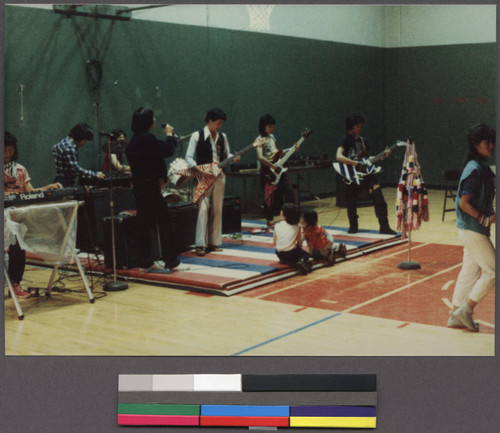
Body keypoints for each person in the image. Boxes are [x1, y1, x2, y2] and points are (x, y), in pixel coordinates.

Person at [125, 107, 189, 273]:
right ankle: (171, 261)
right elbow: (166, 150)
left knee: (144, 224)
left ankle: (144, 261)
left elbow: (153, 159)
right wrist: (170, 136)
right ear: (149, 122)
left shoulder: (134, 141)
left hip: (139, 187)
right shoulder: (147, 139)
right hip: (149, 187)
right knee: (165, 223)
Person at [448, 124, 495, 332]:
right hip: (472, 229)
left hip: (471, 229)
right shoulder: (475, 169)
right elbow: (463, 203)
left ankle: (455, 315)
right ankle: (465, 310)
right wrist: (485, 219)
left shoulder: (479, 166)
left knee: (470, 270)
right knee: (494, 271)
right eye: (487, 142)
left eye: (493, 141)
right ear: (476, 145)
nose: (492, 145)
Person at [4, 131, 63, 298]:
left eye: (10, 150)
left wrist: (47, 188)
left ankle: (15, 284)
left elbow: (30, 192)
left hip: (17, 217)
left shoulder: (20, 169)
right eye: (4, 150)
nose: (7, 154)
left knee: (17, 242)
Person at [185, 107, 240, 256]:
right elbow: (189, 157)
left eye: (221, 123)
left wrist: (232, 157)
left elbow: (226, 153)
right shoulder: (197, 135)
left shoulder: (223, 136)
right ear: (210, 120)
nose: (219, 126)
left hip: (220, 176)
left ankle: (214, 242)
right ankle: (200, 244)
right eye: (218, 122)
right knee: (202, 209)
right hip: (203, 176)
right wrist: (199, 169)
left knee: (217, 209)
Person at [336, 112, 396, 234]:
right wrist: (355, 163)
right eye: (357, 126)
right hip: (352, 175)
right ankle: (353, 226)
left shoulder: (363, 141)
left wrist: (382, 156)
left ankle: (384, 226)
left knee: (378, 196)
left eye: (360, 125)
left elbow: (367, 159)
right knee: (351, 202)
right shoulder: (345, 139)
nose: (360, 128)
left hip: (366, 174)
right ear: (351, 126)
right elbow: (338, 156)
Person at [255, 114, 298, 228]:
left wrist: (291, 149)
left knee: (289, 192)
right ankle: (269, 220)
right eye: (269, 127)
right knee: (269, 198)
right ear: (263, 126)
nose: (271, 129)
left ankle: (291, 219)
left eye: (272, 127)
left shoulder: (272, 137)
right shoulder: (259, 140)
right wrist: (272, 166)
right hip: (268, 172)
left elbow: (278, 152)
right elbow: (260, 157)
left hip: (279, 170)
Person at [52, 123, 106, 187]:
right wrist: (95, 174)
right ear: (79, 137)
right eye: (85, 140)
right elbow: (75, 170)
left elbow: (54, 148)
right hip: (65, 182)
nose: (85, 142)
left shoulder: (66, 140)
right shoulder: (69, 147)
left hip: (59, 178)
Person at [273, 203, 310, 275]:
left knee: (287, 255)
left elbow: (274, 242)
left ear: (284, 214)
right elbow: (299, 243)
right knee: (306, 254)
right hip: (291, 253)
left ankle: (288, 261)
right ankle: (300, 261)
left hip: (279, 253)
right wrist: (296, 246)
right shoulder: (298, 226)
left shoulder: (277, 225)